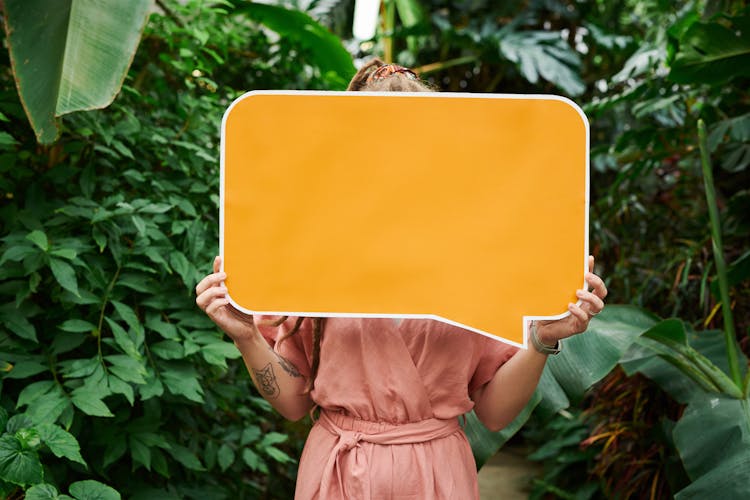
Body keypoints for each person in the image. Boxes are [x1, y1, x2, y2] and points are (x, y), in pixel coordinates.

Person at [196, 59, 608, 499]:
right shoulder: (309, 253)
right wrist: (246, 337)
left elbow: (493, 412)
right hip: (338, 472)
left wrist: (542, 340)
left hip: (437, 475)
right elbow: (293, 402)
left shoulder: (479, 254)